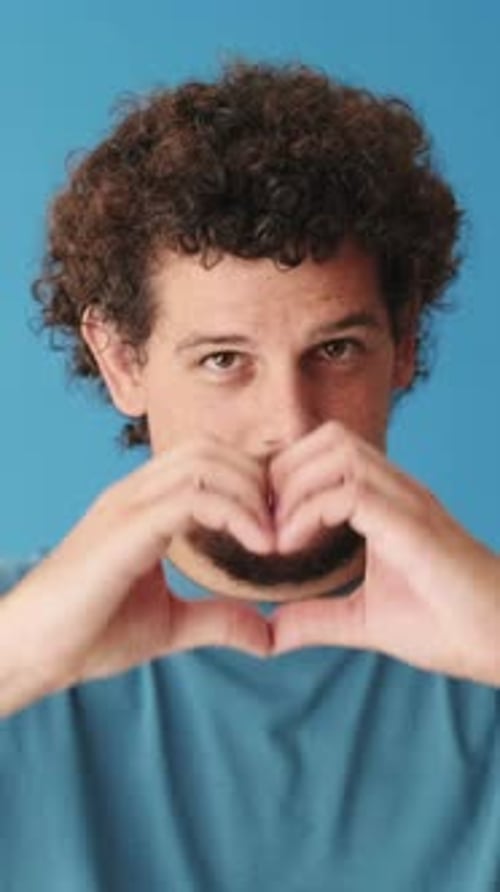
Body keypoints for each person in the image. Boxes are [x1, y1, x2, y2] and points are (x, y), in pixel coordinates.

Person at [1, 59, 499, 891]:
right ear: (123, 362)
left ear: (403, 346)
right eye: (223, 359)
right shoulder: (24, 639)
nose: (290, 425)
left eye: (335, 351)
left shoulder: (483, 630)